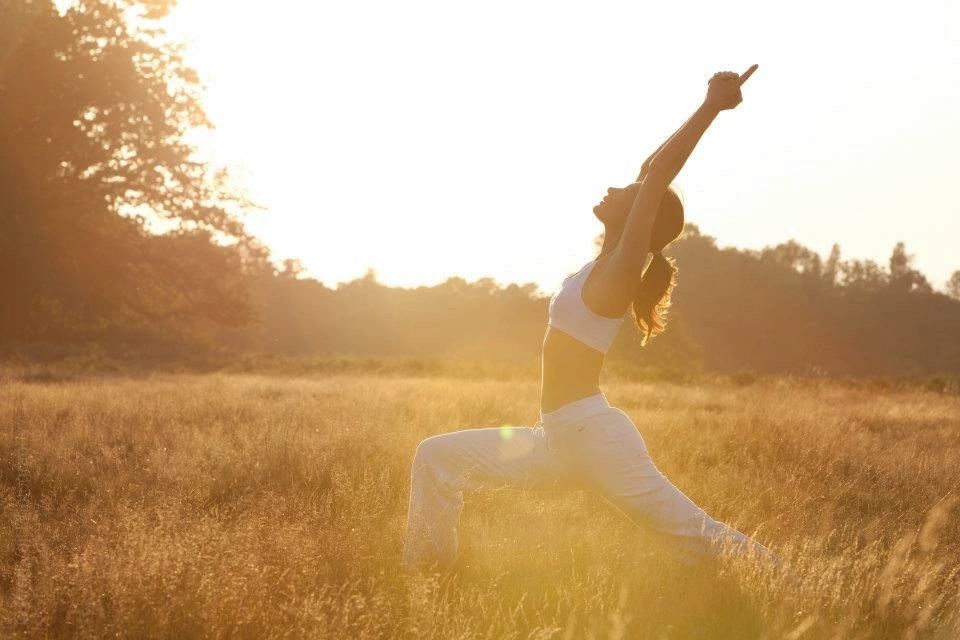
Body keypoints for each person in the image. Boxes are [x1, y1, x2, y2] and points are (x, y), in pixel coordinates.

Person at [402, 66, 781, 572]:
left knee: (692, 533)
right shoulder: (599, 266)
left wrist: (711, 107)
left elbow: (658, 173)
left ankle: (797, 586)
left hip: (593, 437)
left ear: (638, 215)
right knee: (436, 457)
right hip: (555, 439)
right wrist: (683, 132)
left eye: (627, 192)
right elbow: (651, 168)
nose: (614, 188)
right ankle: (427, 573)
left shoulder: (625, 268)